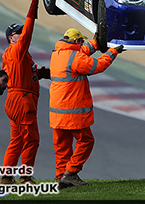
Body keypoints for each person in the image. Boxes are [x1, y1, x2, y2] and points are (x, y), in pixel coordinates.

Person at [49, 28, 123, 188]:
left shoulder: (57, 54)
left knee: (62, 147)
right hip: (72, 114)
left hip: (56, 114)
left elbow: (81, 52)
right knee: (86, 141)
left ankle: (60, 178)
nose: (82, 43)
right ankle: (71, 172)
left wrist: (95, 43)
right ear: (76, 41)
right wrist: (112, 52)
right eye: (81, 41)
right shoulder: (75, 58)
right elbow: (97, 66)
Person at [0, 0, 51, 185]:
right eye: (16, 33)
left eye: (20, 32)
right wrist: (32, 11)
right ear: (10, 38)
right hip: (22, 100)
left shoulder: (13, 55)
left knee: (17, 141)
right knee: (32, 140)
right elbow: (28, 33)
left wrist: (40, 73)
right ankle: (25, 177)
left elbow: (26, 74)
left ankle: (6, 177)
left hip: (14, 99)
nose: (20, 35)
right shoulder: (17, 50)